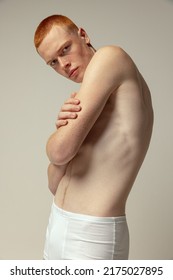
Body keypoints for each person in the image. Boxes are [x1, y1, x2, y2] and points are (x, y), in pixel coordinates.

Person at [34, 14, 154, 260]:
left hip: (92, 235)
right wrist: (64, 130)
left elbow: (58, 152)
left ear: (83, 35)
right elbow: (54, 183)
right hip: (58, 223)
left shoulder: (110, 57)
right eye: (53, 62)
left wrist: (59, 136)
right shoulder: (89, 96)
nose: (63, 65)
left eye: (65, 49)